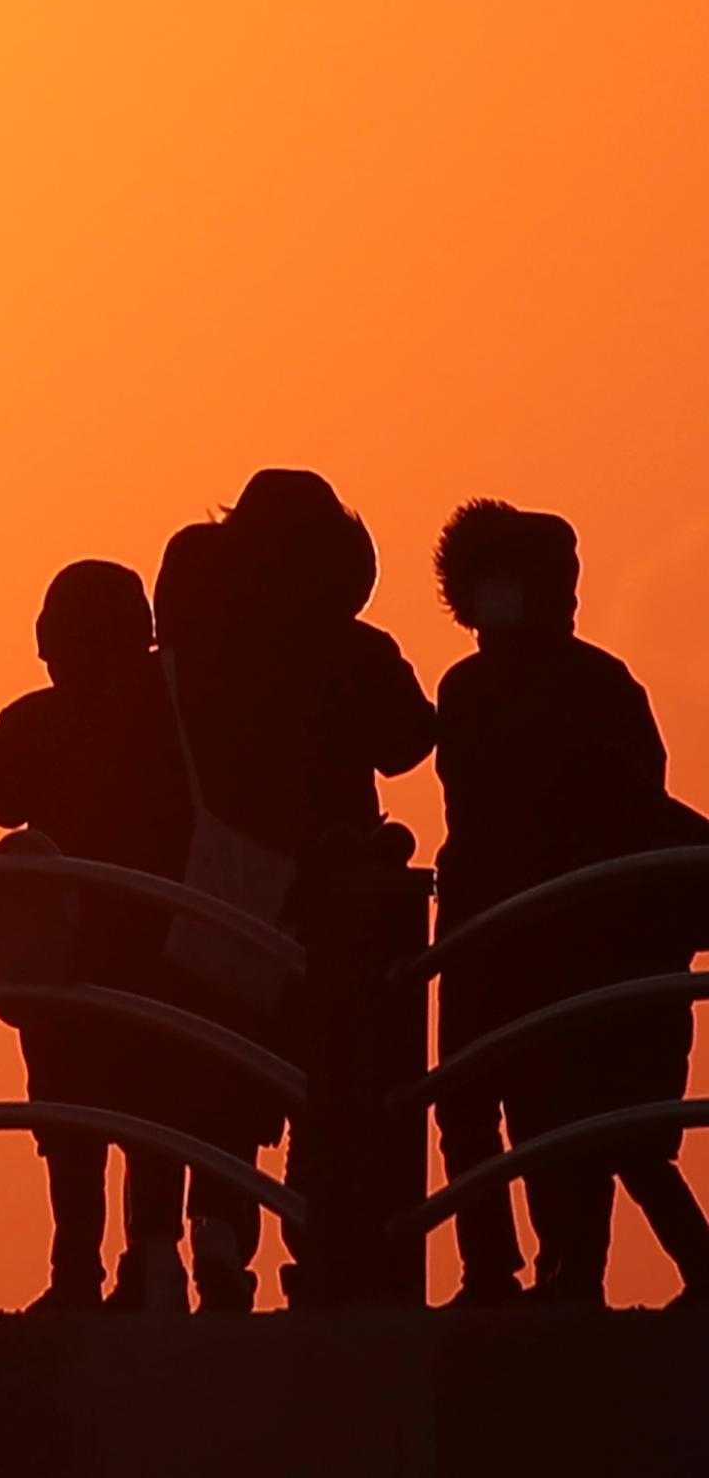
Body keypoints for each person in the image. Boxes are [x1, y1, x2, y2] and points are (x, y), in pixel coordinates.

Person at [161, 473, 435, 1310]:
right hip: (336, 894)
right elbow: (409, 741)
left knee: (223, 1087)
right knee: (337, 1087)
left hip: (225, 886)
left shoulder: (205, 641)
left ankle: (217, 1252)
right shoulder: (353, 650)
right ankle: (327, 1261)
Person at [430, 500, 709, 1307]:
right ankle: (506, 1269)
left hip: (567, 931)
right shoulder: (477, 688)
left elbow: (629, 794)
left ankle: (562, 1271)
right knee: (488, 1104)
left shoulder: (591, 681)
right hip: (503, 926)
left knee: (568, 1110)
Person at [0, 560, 193, 1310]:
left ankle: (76, 1273)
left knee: (70, 1121)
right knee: (156, 1106)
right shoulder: (176, 707)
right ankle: (155, 1262)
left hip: (64, 950)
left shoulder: (42, 719)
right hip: (161, 943)